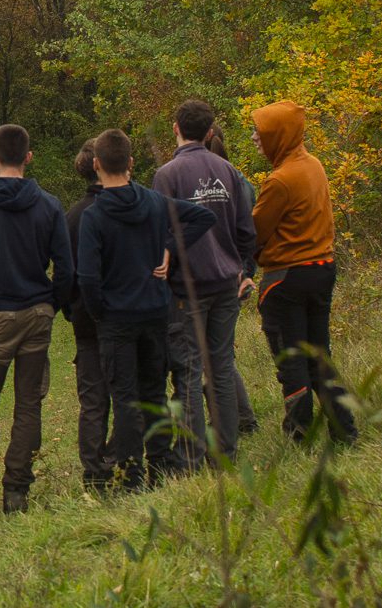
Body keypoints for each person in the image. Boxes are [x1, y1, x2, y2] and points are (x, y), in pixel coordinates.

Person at [79, 130, 217, 488]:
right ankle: (160, 464)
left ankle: (131, 473)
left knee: (125, 397)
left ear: (96, 165)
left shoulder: (94, 217)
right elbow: (203, 218)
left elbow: (88, 277)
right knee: (154, 391)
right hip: (155, 311)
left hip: (117, 317)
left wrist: (99, 313)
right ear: (130, 162)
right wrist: (171, 245)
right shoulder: (155, 202)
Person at [0, 124, 72, 517]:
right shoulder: (49, 205)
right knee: (28, 405)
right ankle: (16, 490)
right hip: (36, 313)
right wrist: (51, 304)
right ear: (28, 157)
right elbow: (66, 268)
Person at [152, 99, 258, 466]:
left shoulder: (167, 175)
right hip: (227, 282)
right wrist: (243, 267)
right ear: (210, 132)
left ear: (175, 127)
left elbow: (161, 231)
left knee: (190, 370)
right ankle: (225, 452)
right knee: (221, 367)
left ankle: (192, 455)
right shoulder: (228, 171)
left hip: (188, 287)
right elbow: (246, 229)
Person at [250, 101, 358, 444]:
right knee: (319, 356)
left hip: (287, 279)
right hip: (322, 269)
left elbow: (255, 232)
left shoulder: (280, 180)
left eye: (260, 131)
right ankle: (344, 430)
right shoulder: (314, 166)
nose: (254, 137)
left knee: (291, 359)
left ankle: (299, 434)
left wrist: (256, 255)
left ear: (279, 135)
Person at [204, 126, 261, 436]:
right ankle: (236, 417)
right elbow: (249, 232)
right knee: (220, 354)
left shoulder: (208, 182)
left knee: (217, 357)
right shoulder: (239, 180)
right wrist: (247, 271)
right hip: (235, 273)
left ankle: (238, 419)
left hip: (220, 276)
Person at [65, 139, 114, 491]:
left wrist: (71, 308)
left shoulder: (73, 216)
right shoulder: (132, 205)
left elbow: (66, 272)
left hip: (86, 317)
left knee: (93, 398)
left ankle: (95, 470)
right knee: (127, 392)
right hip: (124, 313)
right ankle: (120, 459)